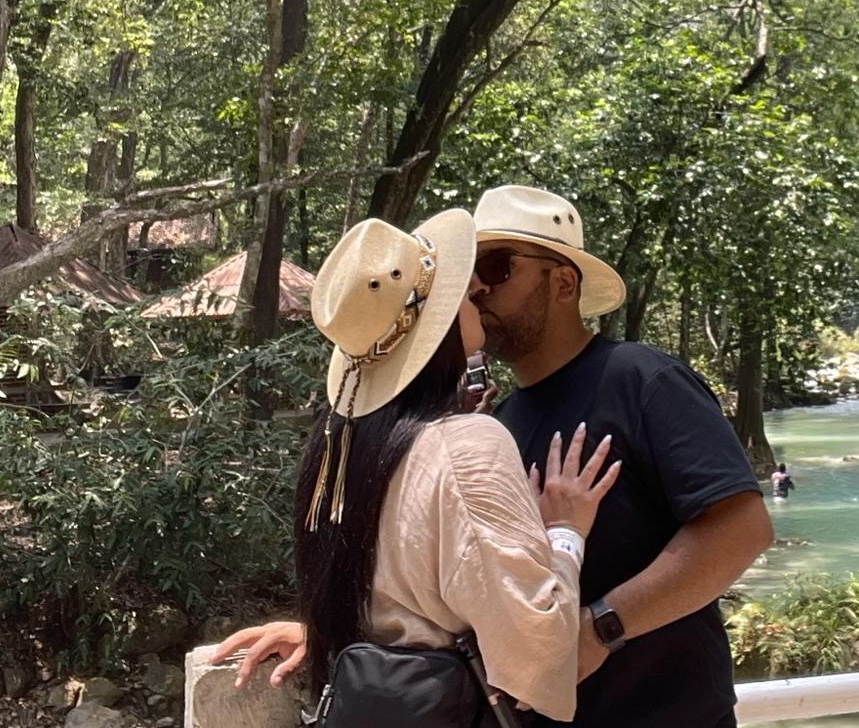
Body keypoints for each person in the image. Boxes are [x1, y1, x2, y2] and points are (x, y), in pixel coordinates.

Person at [211, 209, 620, 721]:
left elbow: (388, 601)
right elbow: (538, 654)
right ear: (436, 323)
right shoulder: (468, 446)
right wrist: (565, 533)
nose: (477, 290)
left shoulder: (338, 443)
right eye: (462, 291)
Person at [472, 184, 774, 728]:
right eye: (470, 272)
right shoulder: (497, 425)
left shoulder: (642, 380)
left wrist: (600, 628)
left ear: (563, 282)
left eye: (496, 267)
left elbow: (742, 531)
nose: (476, 288)